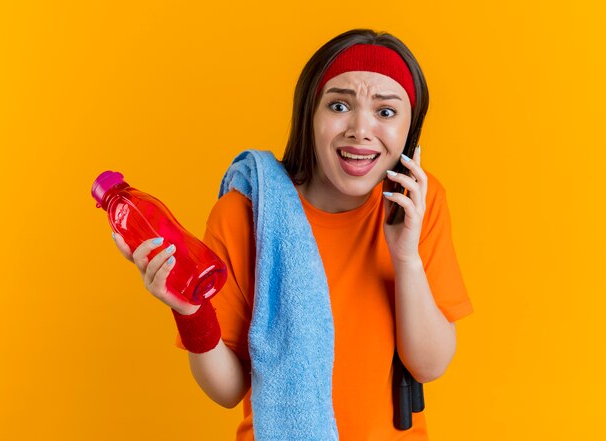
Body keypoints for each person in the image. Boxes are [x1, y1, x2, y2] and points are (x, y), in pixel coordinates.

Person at [112, 28, 474, 441]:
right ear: (309, 114)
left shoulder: (416, 205)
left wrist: (405, 255)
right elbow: (228, 390)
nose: (360, 128)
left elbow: (429, 364)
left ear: (410, 129)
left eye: (386, 112)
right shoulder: (245, 215)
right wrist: (188, 310)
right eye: (339, 105)